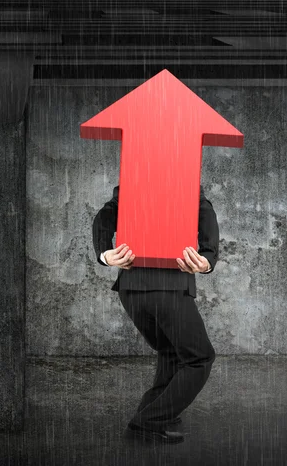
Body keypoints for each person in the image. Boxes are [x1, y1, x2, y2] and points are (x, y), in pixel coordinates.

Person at [92, 184, 219, 444]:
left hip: (131, 289)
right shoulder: (188, 187)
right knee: (199, 358)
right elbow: (207, 220)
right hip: (168, 288)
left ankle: (154, 413)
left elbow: (104, 216)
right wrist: (207, 259)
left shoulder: (133, 184)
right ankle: (149, 423)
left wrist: (105, 254)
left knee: (171, 350)